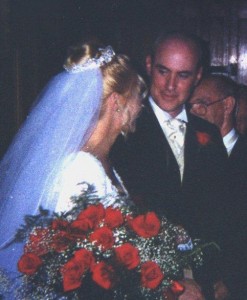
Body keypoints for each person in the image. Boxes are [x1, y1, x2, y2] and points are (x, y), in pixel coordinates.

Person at [0, 41, 146, 298]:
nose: (141, 105)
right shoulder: (81, 168)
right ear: (116, 102)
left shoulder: (99, 160)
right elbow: (78, 263)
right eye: (137, 95)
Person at [111, 31, 229, 299]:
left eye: (183, 75)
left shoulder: (208, 133)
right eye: (164, 71)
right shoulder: (122, 131)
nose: (170, 85)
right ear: (149, 65)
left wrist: (224, 278)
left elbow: (225, 210)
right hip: (147, 284)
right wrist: (170, 284)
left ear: (198, 76)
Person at [190, 74, 247, 299]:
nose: (193, 111)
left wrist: (232, 280)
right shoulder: (191, 153)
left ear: (227, 105)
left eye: (202, 104)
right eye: (190, 105)